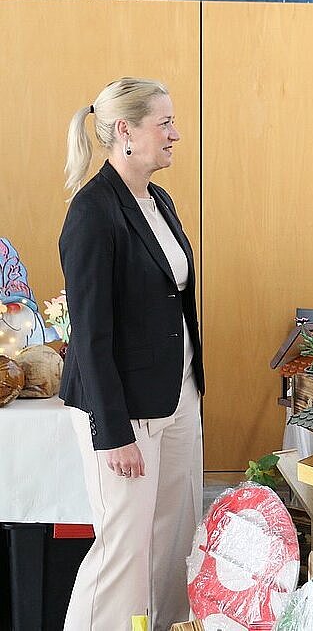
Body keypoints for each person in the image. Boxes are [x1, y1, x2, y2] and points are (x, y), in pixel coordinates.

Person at [60, 77, 204, 630]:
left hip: (177, 398)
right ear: (126, 131)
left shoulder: (159, 200)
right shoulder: (92, 213)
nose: (174, 134)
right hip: (125, 411)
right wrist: (113, 431)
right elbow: (90, 336)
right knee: (124, 549)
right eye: (164, 122)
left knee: (172, 542)